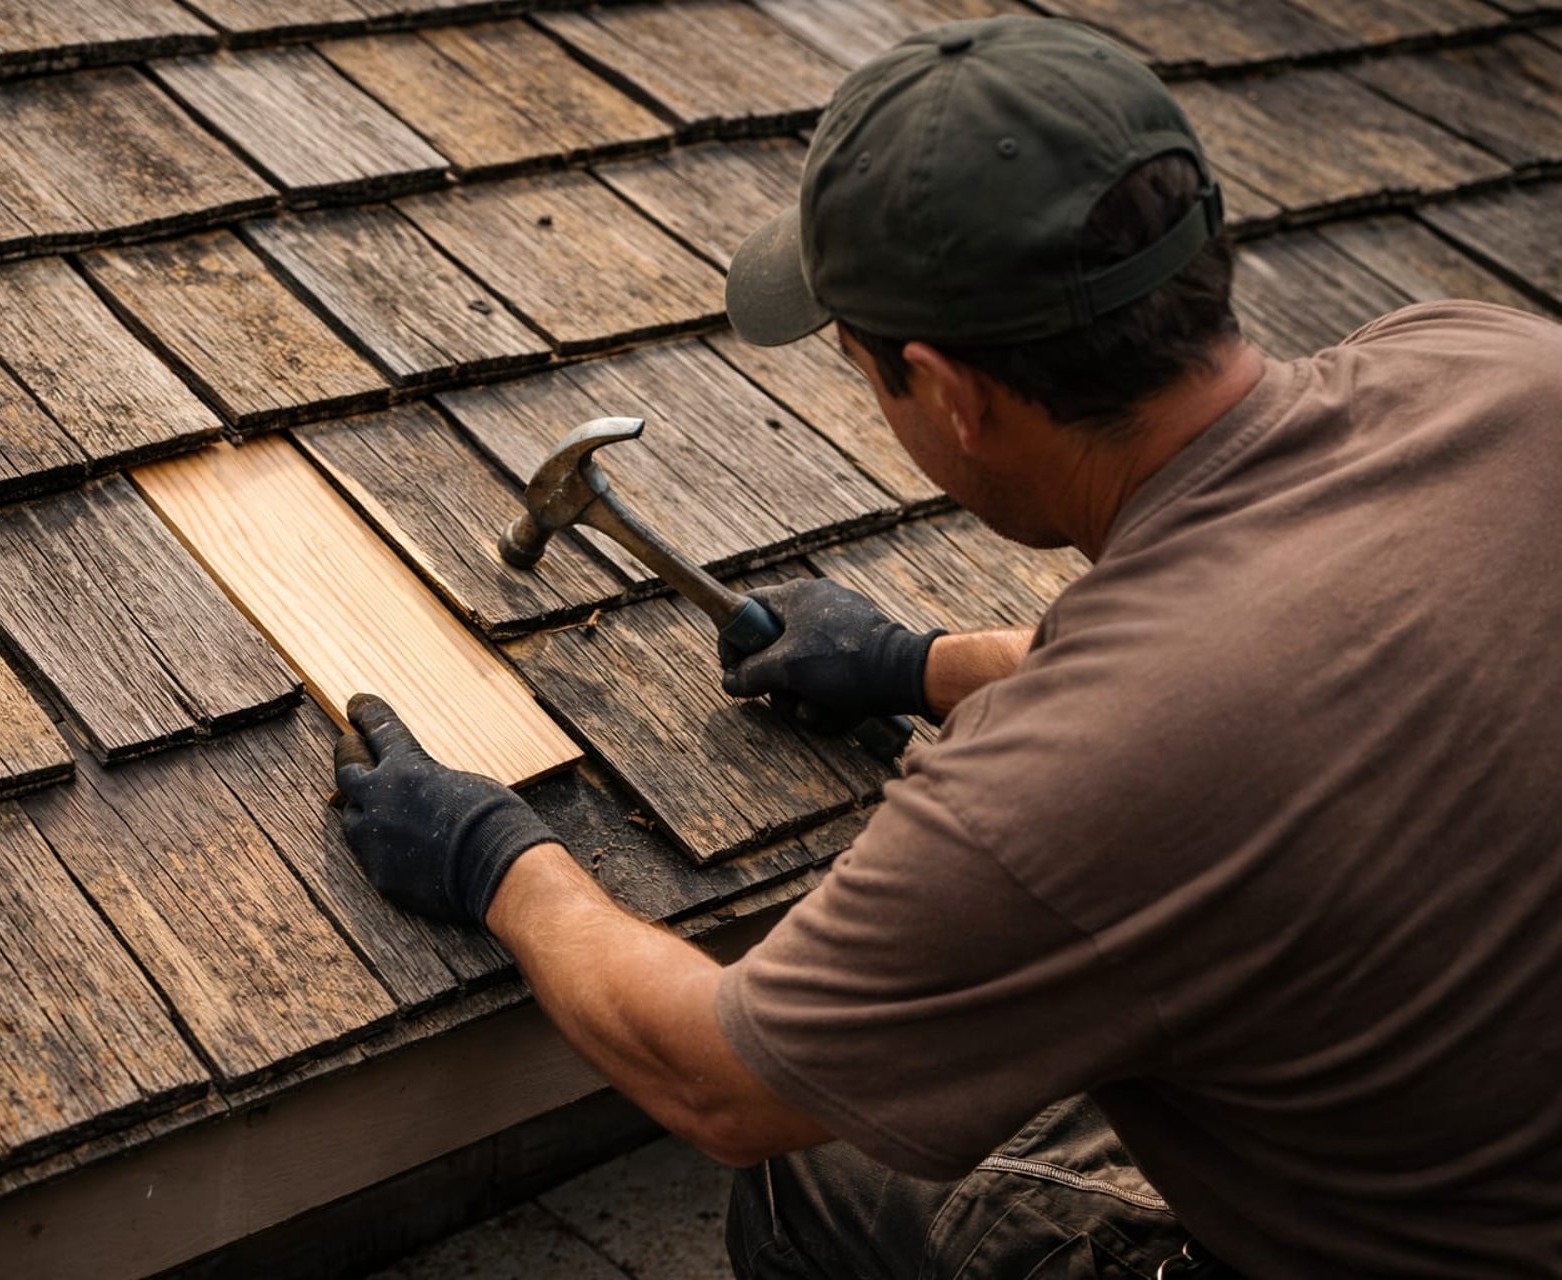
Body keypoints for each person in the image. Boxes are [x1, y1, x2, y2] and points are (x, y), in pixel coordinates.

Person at [331, 15, 1562, 1277]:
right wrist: (918, 661)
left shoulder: (1071, 782)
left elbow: (720, 1078)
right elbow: (1314, 643)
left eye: (867, 371)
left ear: (957, 396)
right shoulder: (1498, 363)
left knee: (819, 1170)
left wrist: (499, 863)